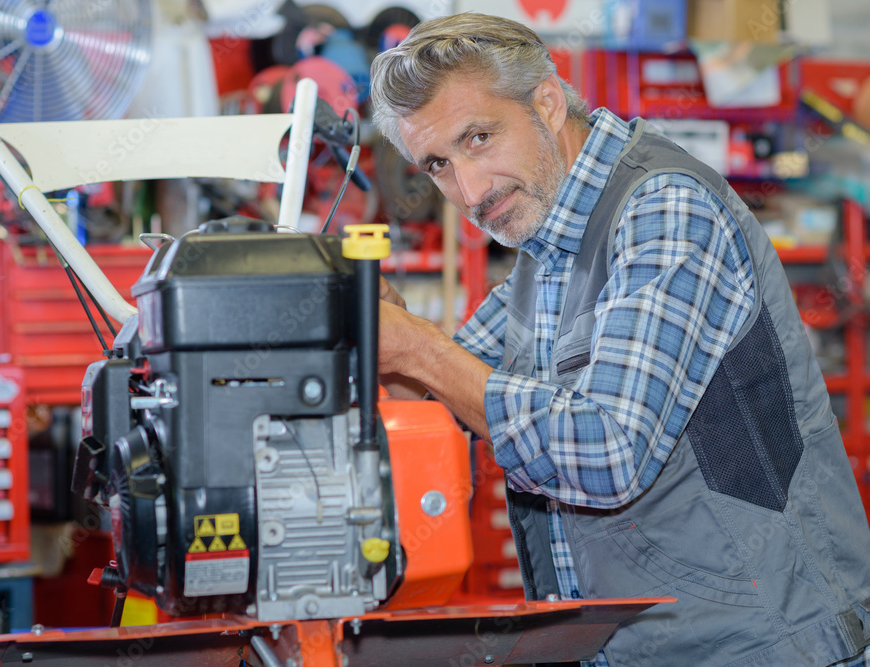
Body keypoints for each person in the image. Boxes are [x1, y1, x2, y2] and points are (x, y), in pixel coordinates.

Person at [370, 13, 870, 667]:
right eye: (437, 163)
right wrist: (376, 329)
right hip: (640, 647)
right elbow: (445, 402)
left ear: (547, 103)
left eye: (479, 137)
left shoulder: (663, 209)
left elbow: (608, 450)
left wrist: (419, 350)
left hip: (762, 647)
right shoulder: (545, 250)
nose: (469, 189)